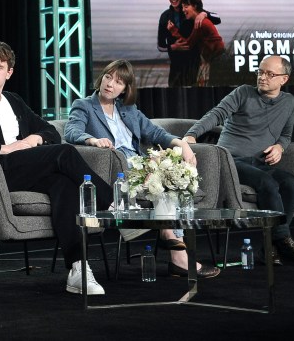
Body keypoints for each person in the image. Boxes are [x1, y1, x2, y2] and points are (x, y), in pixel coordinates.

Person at [0, 40, 112, 295]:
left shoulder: (13, 100)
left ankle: (78, 268)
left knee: (65, 185)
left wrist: (34, 139)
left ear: (8, 73)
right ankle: (113, 201)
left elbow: (50, 131)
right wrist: (4, 148)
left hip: (25, 168)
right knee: (65, 152)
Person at [63, 59, 220, 279]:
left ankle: (176, 252)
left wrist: (182, 144)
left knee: (171, 175)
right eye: (108, 77)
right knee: (162, 176)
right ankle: (174, 244)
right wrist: (92, 140)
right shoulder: (85, 105)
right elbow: (71, 131)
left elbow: (155, 133)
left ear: (125, 89)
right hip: (113, 169)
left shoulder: (128, 109)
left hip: (137, 165)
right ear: (101, 78)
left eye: (118, 82)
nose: (110, 84)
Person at [184, 55, 294, 266]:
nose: (262, 77)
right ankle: (285, 242)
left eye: (270, 74)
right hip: (231, 160)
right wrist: (192, 135)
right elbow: (217, 114)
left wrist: (279, 147)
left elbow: (286, 136)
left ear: (283, 80)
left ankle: (272, 246)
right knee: (267, 184)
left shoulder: (289, 102)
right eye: (260, 72)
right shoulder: (243, 92)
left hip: (260, 162)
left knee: (291, 184)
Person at [157, 0, 221, 87]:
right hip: (175, 66)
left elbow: (217, 18)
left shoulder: (190, 10)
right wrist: (173, 47)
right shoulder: (165, 17)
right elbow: (160, 46)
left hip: (194, 64)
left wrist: (204, 14)